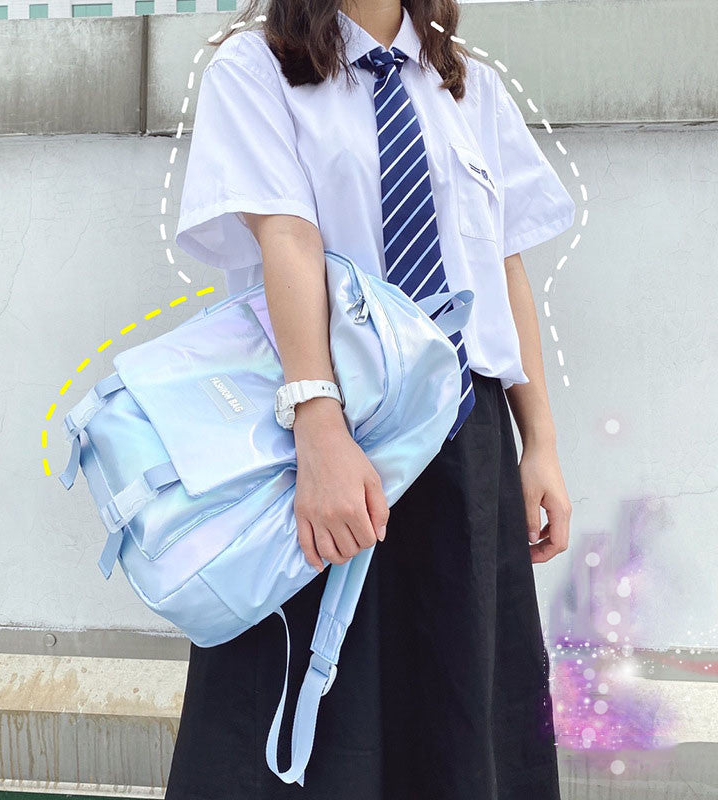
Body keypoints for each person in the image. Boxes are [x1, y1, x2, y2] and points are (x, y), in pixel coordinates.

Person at [167, 1, 576, 798]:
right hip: (330, 426)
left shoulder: (469, 85)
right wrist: (318, 427)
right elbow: (287, 236)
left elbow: (504, 266)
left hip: (464, 442)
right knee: (320, 720)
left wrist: (542, 445)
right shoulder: (257, 69)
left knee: (459, 715)